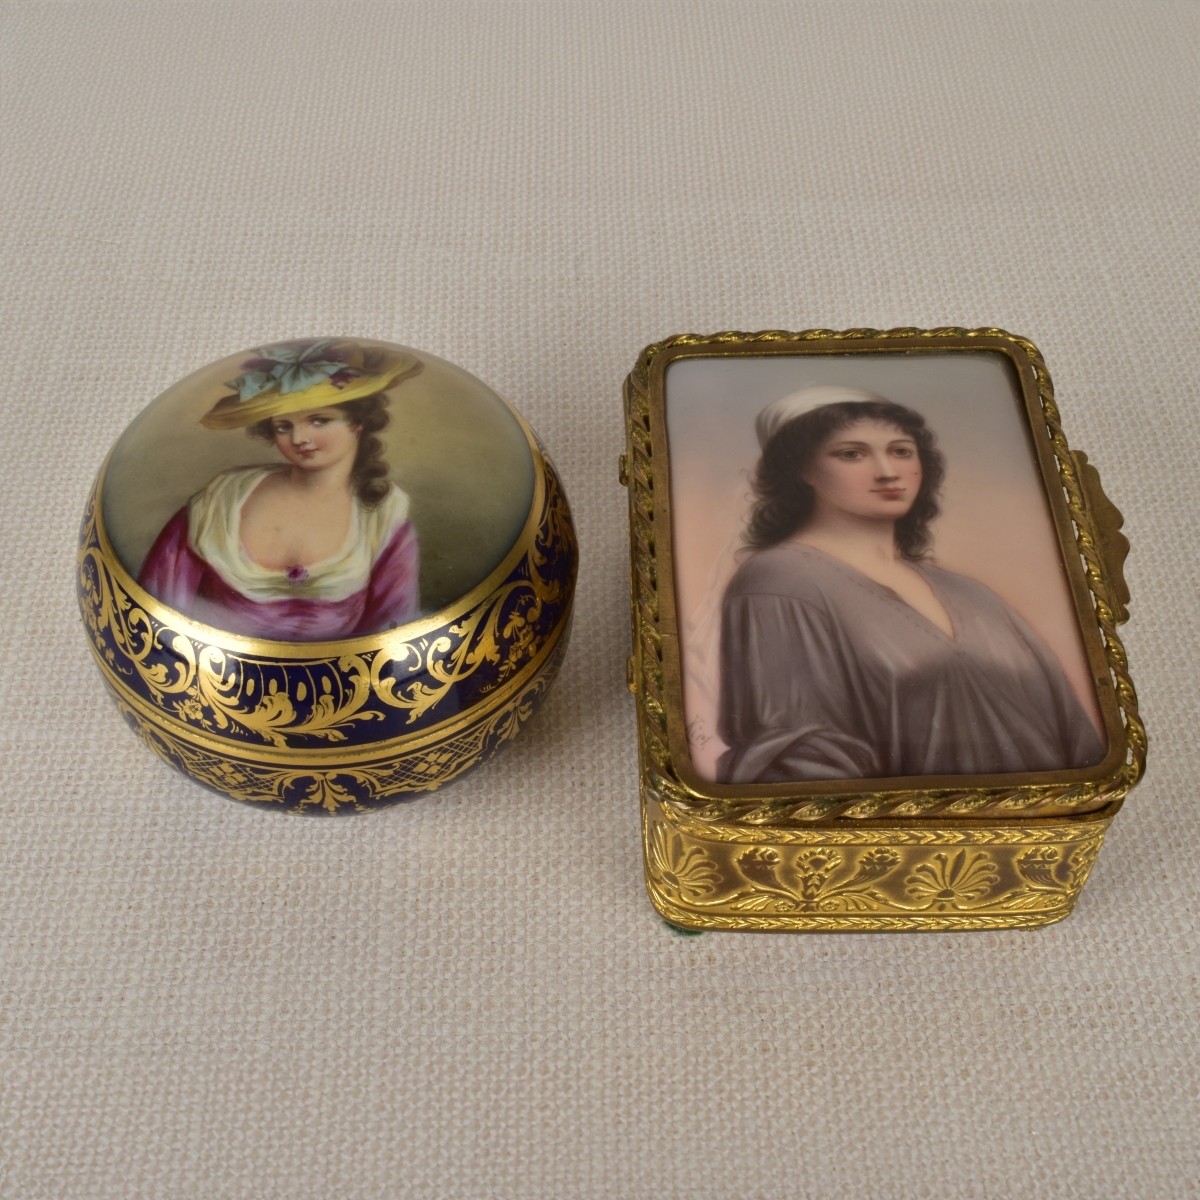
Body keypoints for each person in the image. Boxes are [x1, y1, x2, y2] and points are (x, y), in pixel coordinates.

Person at [716, 385, 1106, 783]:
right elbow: (798, 758)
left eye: (901, 451)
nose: (888, 472)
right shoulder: (781, 581)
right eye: (851, 454)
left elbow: (1075, 735)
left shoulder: (971, 594)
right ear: (802, 469)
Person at [139, 339, 424, 641]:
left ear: (358, 423)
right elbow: (160, 609)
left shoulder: (383, 515)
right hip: (210, 665)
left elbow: (393, 629)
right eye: (283, 426)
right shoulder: (222, 499)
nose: (299, 438)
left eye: (319, 420)